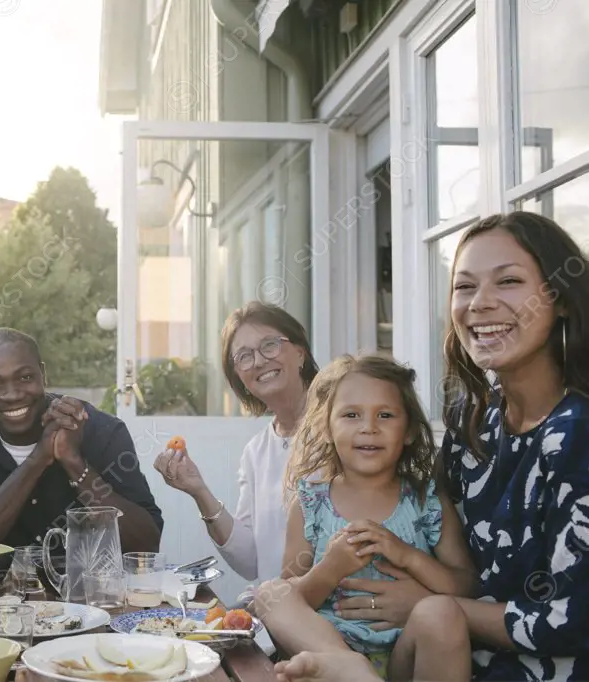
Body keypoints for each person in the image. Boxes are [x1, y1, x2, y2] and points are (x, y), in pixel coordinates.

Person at [314, 212, 589, 681]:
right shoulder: (471, 418)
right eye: (464, 287)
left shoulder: (577, 434)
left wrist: (433, 607)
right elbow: (433, 533)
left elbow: (566, 621)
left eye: (508, 281)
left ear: (560, 298)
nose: (480, 304)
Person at [254, 354, 476, 681]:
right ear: (326, 428)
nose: (369, 428)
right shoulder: (310, 503)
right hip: (329, 656)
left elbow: (466, 586)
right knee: (270, 594)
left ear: (410, 431)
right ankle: (351, 668)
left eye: (385, 415)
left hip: (405, 655)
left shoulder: (425, 500)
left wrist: (408, 556)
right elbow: (295, 600)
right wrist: (332, 568)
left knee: (442, 612)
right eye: (351, 415)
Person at [0, 327, 163, 553]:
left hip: (88, 590)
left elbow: (146, 543)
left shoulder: (102, 430)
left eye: (25, 377)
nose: (12, 394)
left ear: (43, 375)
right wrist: (38, 460)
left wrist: (74, 463)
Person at [153, 301, 318, 582]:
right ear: (240, 379)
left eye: (269, 345)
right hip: (278, 612)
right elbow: (251, 562)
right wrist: (199, 490)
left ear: (300, 353)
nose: (259, 361)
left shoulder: (342, 428)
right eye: (244, 356)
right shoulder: (256, 452)